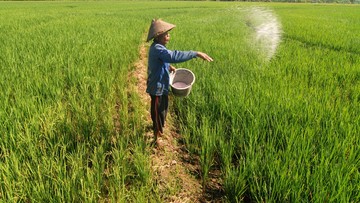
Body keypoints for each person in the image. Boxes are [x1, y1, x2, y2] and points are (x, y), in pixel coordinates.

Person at [146, 19, 213, 146]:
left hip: (163, 86)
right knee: (158, 112)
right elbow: (173, 55)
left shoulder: (159, 47)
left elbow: (163, 60)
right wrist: (196, 53)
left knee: (163, 109)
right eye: (166, 34)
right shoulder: (158, 49)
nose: (169, 36)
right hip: (157, 87)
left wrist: (168, 66)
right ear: (159, 36)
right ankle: (156, 137)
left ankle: (159, 129)